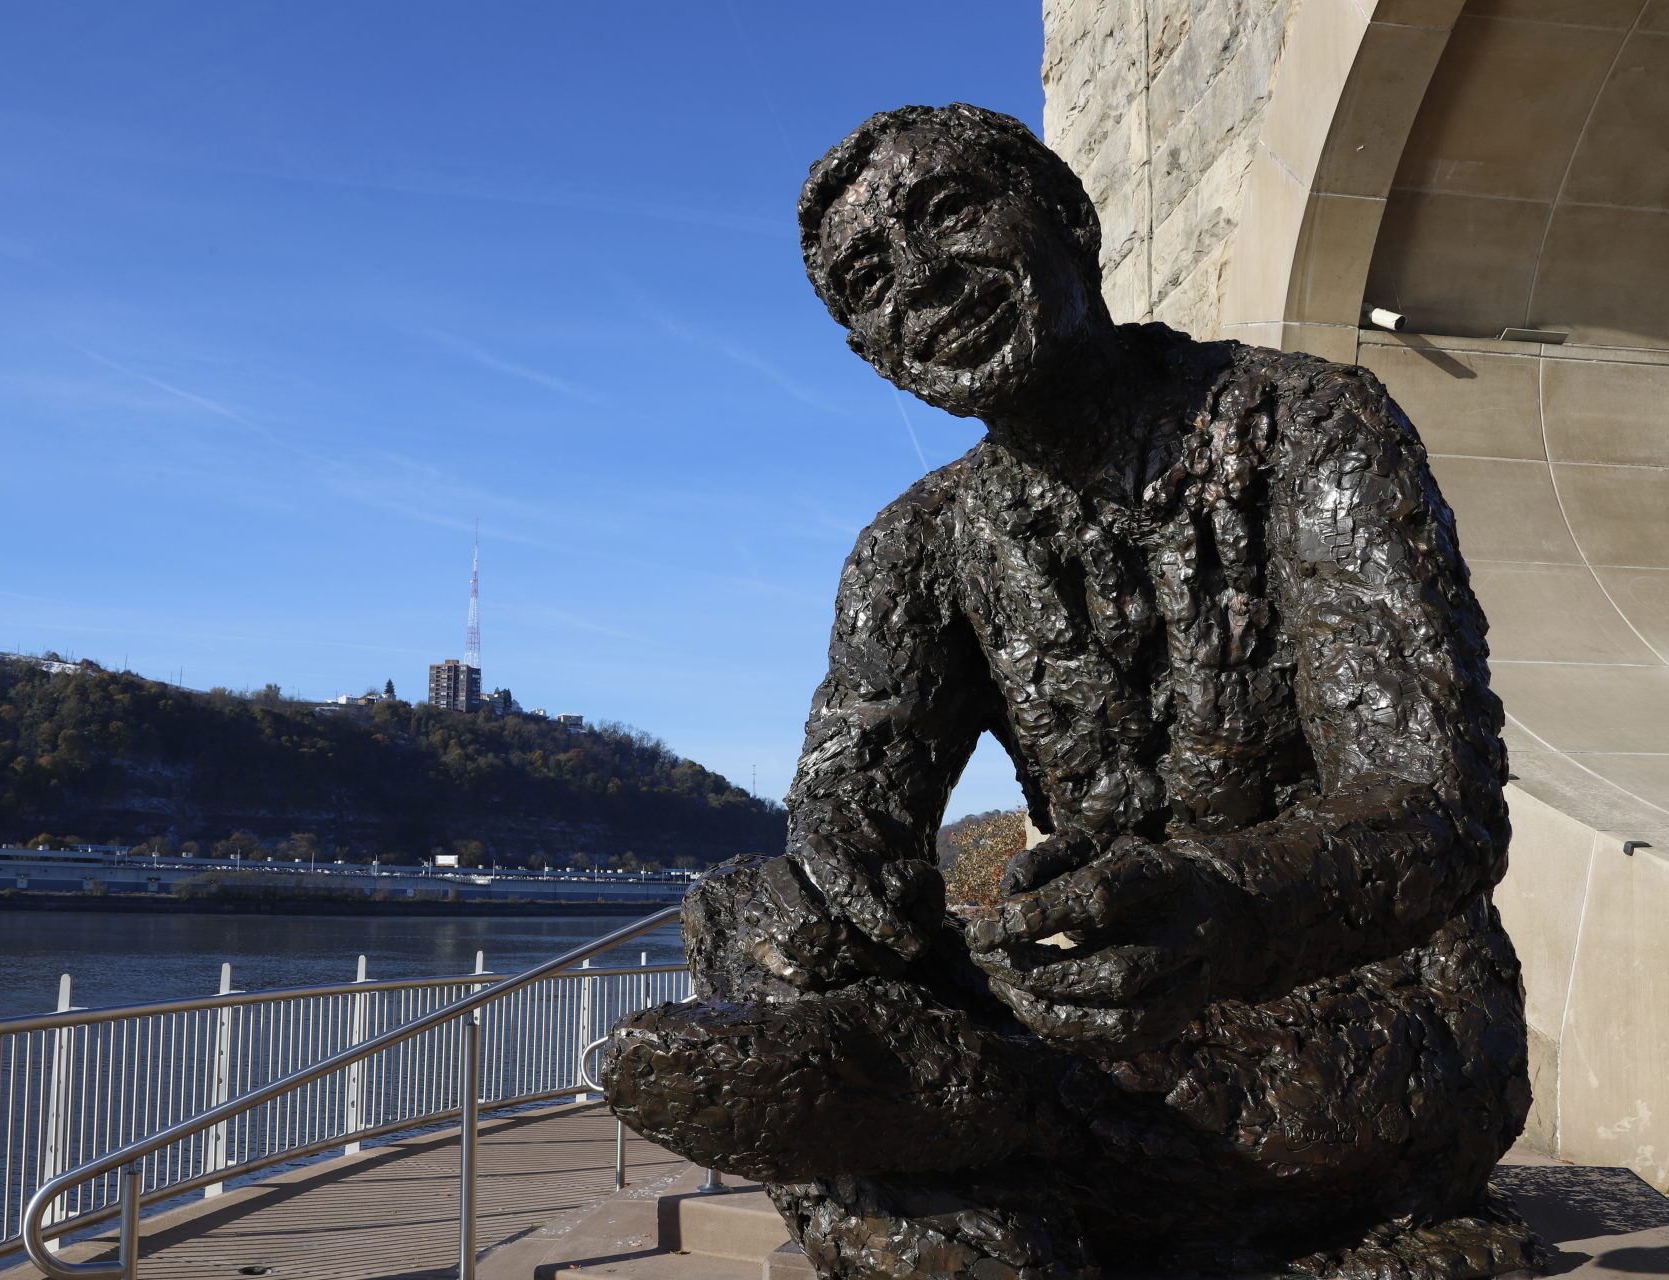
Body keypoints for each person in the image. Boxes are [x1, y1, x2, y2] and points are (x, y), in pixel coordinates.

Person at [602, 104, 1542, 1280]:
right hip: (1080, 1016)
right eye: (868, 280)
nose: (923, 281)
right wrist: (814, 927)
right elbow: (849, 819)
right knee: (741, 900)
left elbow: (1434, 802)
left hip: (1360, 1016)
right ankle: (938, 1128)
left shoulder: (1309, 424)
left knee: (933, 1141)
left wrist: (1222, 898)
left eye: (947, 214)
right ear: (872, 352)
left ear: (1068, 220)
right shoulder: (916, 549)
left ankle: (940, 1121)